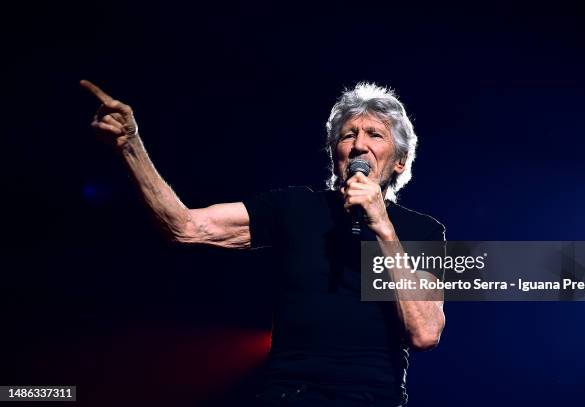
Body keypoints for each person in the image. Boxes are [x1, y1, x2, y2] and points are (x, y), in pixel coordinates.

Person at [81, 80, 446, 406]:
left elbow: (426, 333)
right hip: (289, 393)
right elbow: (186, 226)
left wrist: (382, 225)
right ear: (334, 152)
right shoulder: (293, 207)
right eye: (348, 135)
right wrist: (130, 145)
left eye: (374, 135)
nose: (358, 146)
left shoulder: (425, 231)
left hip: (373, 398)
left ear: (399, 162)